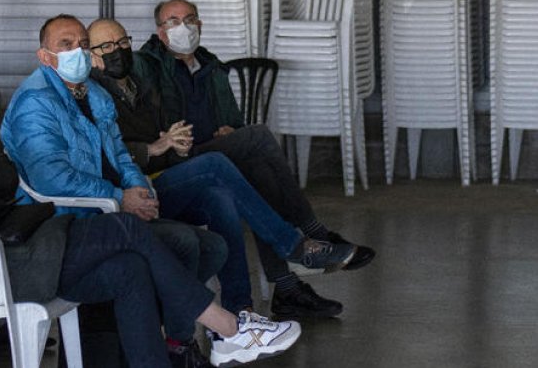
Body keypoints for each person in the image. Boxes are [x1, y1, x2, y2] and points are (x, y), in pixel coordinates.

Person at [0, 45, 300, 368]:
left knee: (129, 267)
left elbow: (6, 173)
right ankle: (228, 328)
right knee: (126, 231)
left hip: (13, 246)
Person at [0, 14, 227, 365]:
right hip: (61, 221)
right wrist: (119, 197)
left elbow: (120, 155)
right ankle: (176, 343)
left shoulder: (95, 94)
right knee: (181, 244)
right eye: (66, 44)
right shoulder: (36, 101)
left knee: (210, 246)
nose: (78, 50)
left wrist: (139, 190)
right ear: (44, 56)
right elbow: (50, 178)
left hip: (105, 210)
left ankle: (167, 340)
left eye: (83, 44)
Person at [88, 18, 356, 315]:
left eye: (123, 42)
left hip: (166, 174)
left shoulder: (152, 83)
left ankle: (240, 311)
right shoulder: (95, 94)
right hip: (134, 191)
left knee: (225, 196)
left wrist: (176, 144)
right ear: (92, 55)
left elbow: (170, 137)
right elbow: (103, 155)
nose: (118, 51)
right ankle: (297, 244)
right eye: (107, 46)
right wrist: (155, 148)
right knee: (231, 155)